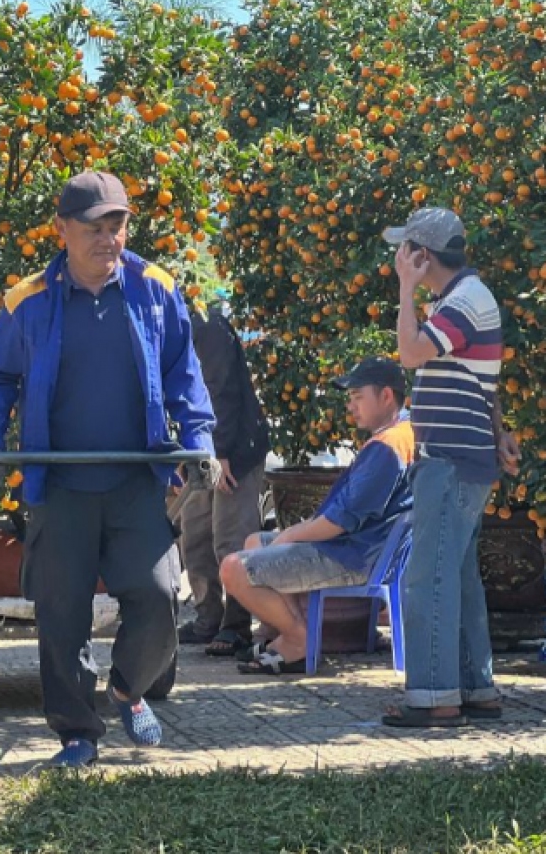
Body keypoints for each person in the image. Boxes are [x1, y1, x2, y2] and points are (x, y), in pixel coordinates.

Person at [0, 171, 217, 768]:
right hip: (59, 485)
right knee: (61, 617)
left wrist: (200, 439)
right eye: (95, 227)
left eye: (118, 225)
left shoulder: (155, 288)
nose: (109, 239)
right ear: (62, 230)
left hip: (138, 481)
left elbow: (186, 374)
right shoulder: (25, 301)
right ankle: (78, 735)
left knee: (159, 600)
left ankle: (129, 689)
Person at [381, 207, 519, 727]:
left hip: (450, 463)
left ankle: (435, 698)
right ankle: (475, 689)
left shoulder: (461, 300)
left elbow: (411, 354)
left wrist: (405, 290)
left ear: (422, 254)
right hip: (463, 458)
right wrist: (497, 432)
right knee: (456, 577)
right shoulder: (462, 299)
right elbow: (480, 380)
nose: (398, 257)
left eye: (405, 250)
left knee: (429, 579)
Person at [221, 357, 414, 675]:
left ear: (386, 396)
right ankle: (281, 636)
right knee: (255, 541)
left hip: (351, 555)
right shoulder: (404, 434)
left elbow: (338, 524)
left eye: (357, 397)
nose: (351, 407)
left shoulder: (388, 446)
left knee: (233, 569)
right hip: (364, 550)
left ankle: (299, 641)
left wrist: (288, 537)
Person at [177, 301, 271, 657]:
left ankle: (237, 625)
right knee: (195, 536)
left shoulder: (205, 324)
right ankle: (208, 618)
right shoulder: (161, 326)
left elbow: (221, 391)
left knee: (230, 538)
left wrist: (220, 453)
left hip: (231, 448)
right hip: (195, 452)